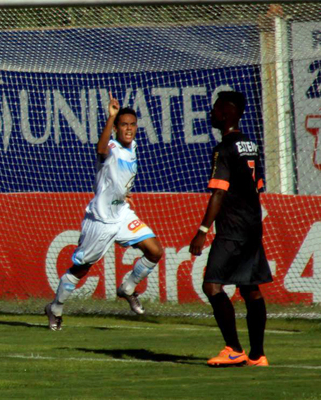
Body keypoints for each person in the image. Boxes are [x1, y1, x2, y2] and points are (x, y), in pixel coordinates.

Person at [45, 94, 164, 330]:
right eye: (123, 125)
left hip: (121, 213)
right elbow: (100, 150)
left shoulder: (134, 146)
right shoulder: (111, 146)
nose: (128, 129)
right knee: (82, 269)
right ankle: (55, 308)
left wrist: (123, 194)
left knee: (154, 251)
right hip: (100, 219)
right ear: (117, 128)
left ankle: (128, 288)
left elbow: (118, 178)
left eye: (132, 124)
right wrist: (110, 117)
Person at [189, 91, 271, 367]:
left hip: (233, 228)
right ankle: (258, 355)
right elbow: (259, 186)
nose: (211, 114)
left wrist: (202, 230)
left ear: (226, 113)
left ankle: (234, 349)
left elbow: (219, 193)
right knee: (250, 288)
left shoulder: (223, 149)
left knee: (212, 285)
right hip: (252, 224)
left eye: (215, 110)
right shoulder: (251, 144)